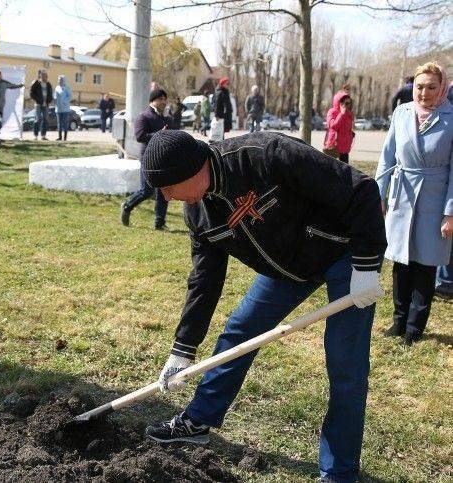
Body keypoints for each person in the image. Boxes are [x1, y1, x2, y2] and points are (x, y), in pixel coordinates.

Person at [142, 130, 385, 483]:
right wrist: (183, 349)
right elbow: (205, 282)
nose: (165, 197)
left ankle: (338, 472)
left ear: (191, 171)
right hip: (288, 269)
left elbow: (360, 188)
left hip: (344, 252)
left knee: (345, 364)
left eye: (167, 188)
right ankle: (199, 420)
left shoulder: (266, 154)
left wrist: (365, 263)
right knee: (240, 331)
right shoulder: (199, 216)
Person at [375, 61, 452, 345]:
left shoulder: (451, 117)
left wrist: (450, 213)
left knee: (425, 263)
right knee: (401, 262)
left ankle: (414, 329)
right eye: (420, 86)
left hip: (435, 199)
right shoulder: (401, 113)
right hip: (403, 196)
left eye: (432, 87)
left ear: (441, 87)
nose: (424, 93)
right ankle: (398, 321)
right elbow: (387, 157)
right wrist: (379, 195)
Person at [120, 89, 169, 230]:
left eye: (165, 99)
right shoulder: (144, 117)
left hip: (163, 159)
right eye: (160, 99)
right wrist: (159, 134)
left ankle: (159, 223)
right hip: (148, 158)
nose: (163, 101)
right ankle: (127, 206)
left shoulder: (165, 118)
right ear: (152, 101)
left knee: (163, 191)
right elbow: (140, 136)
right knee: (147, 191)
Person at [0, 69, 24, 134]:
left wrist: (20, 85)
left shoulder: (4, 83)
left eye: (0, 75)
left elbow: (12, 86)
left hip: (1, 105)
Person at [325, 92, 355, 164]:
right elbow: (333, 126)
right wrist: (341, 114)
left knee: (345, 168)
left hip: (345, 147)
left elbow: (349, 129)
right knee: (332, 168)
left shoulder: (348, 114)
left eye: (349, 103)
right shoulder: (332, 111)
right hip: (334, 145)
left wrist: (350, 139)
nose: (347, 105)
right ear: (339, 102)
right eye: (345, 103)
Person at [29, 70, 53, 140]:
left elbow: (50, 94)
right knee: (38, 119)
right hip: (38, 104)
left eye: (46, 76)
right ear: (40, 76)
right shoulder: (36, 83)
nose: (45, 77)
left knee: (45, 119)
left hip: (46, 105)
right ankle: (35, 135)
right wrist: (37, 99)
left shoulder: (48, 84)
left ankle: (43, 135)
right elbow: (31, 93)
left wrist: (49, 100)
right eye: (43, 76)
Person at [54, 75, 72, 141]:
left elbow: (70, 96)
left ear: (64, 80)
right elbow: (55, 96)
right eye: (59, 80)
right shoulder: (57, 88)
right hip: (58, 109)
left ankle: (65, 137)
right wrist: (55, 101)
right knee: (59, 123)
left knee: (65, 123)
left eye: (61, 80)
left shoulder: (67, 87)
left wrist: (64, 101)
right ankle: (59, 137)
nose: (59, 81)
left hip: (65, 109)